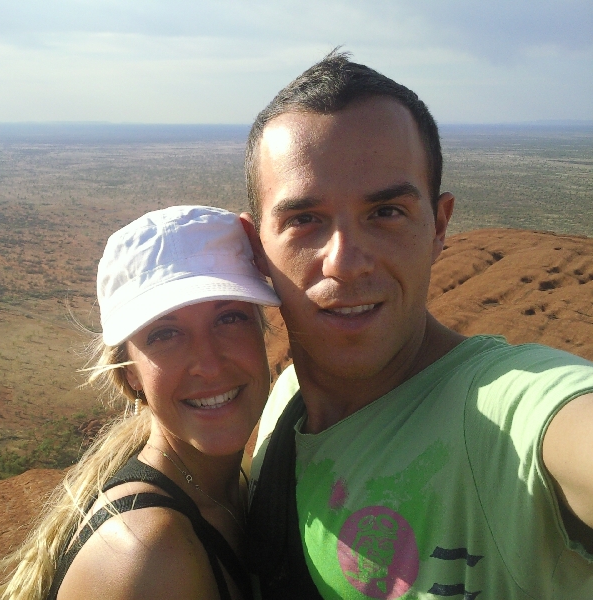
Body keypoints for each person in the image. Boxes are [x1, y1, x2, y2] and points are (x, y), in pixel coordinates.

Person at [241, 50, 593, 599]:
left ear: (439, 225)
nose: (346, 261)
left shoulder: (506, 413)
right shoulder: (282, 402)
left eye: (386, 213)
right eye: (304, 220)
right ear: (257, 249)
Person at [0, 205, 279, 600]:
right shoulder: (147, 554)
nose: (210, 365)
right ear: (130, 372)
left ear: (262, 329)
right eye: (165, 334)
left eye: (230, 318)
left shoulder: (230, 484)